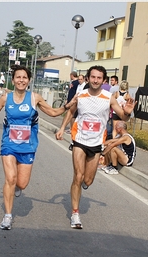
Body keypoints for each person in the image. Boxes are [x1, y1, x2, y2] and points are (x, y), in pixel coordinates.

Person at [0, 65, 78, 230]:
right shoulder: (5, 98)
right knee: (10, 179)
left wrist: (67, 105)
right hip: (9, 144)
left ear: (28, 81)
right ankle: (7, 216)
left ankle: (17, 189)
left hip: (28, 146)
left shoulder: (34, 98)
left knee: (21, 183)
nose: (21, 80)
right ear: (13, 79)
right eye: (18, 77)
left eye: (24, 78)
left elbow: (53, 113)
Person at [55, 65, 136, 229]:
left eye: (99, 78)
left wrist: (127, 112)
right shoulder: (81, 95)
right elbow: (71, 112)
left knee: (88, 180)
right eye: (93, 77)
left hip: (96, 143)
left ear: (104, 80)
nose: (95, 80)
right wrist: (63, 128)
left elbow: (123, 117)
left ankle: (84, 184)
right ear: (87, 78)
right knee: (78, 176)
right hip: (79, 140)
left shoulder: (109, 98)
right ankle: (75, 214)